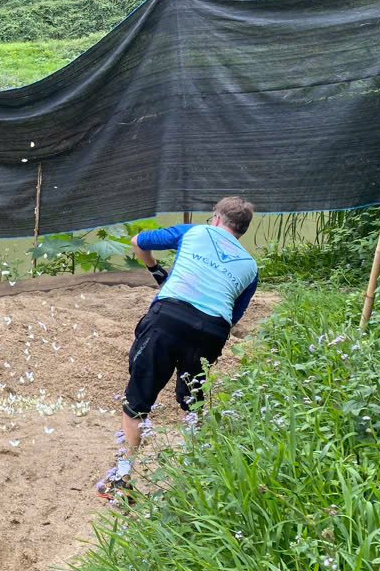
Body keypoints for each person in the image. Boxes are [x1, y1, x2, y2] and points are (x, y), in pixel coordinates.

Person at [97, 196, 259, 499]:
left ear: (216, 218)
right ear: (242, 230)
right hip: (212, 331)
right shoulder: (251, 267)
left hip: (167, 318)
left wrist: (159, 274)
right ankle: (192, 480)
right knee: (192, 403)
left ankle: (121, 479)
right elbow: (233, 316)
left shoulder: (193, 232)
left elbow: (138, 241)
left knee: (138, 398)